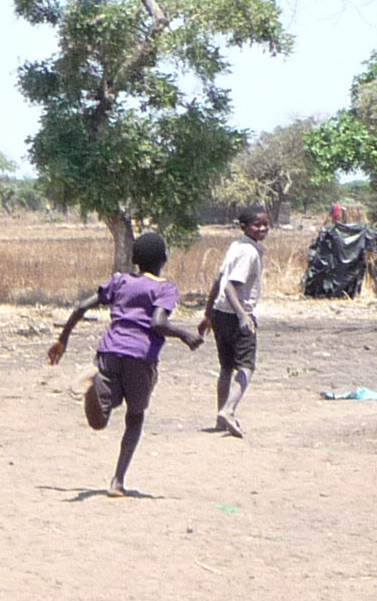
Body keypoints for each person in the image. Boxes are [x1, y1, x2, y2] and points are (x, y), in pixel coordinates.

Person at [44, 230, 204, 497]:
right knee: (135, 415)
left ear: (134, 259)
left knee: (100, 421)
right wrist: (185, 335)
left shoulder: (120, 282)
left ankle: (93, 386)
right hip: (140, 356)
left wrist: (63, 339)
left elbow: (83, 306)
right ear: (164, 258)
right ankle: (117, 481)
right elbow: (158, 323)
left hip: (109, 351)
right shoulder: (164, 288)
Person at [206, 206, 271, 437]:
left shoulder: (236, 246)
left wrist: (207, 314)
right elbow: (230, 285)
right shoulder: (248, 253)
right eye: (257, 224)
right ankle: (229, 410)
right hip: (236, 315)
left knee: (225, 367)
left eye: (265, 224)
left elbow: (218, 280)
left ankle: (220, 419)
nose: (262, 228)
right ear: (243, 227)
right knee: (246, 367)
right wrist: (243, 315)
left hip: (220, 313)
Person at [303, 200, 369, 300]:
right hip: (351, 272)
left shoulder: (329, 231)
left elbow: (318, 255)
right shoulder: (363, 231)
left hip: (331, 273)